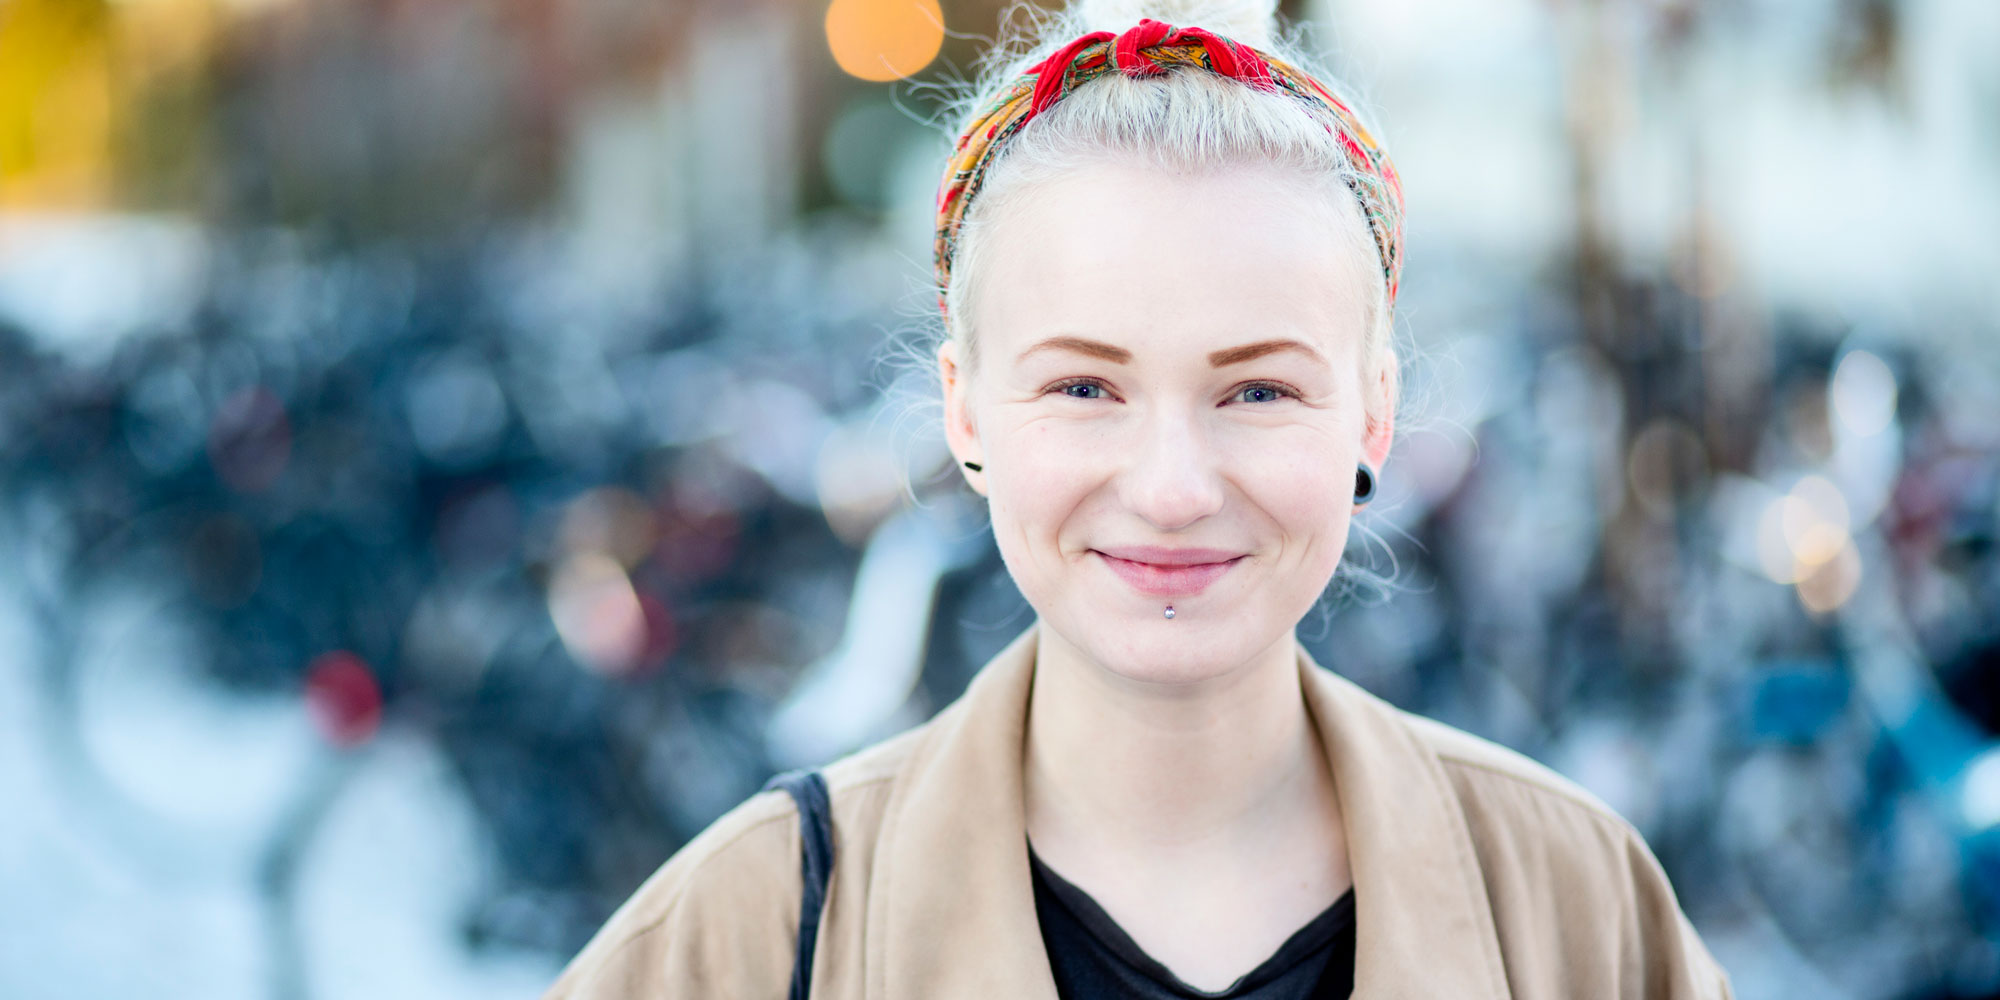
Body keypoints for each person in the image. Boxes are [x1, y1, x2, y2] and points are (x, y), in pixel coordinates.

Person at [544, 0, 1735, 997]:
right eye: (1082, 385)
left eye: (1258, 389)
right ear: (964, 414)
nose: (1170, 488)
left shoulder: (1576, 909)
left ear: (1372, 413)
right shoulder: (760, 931)